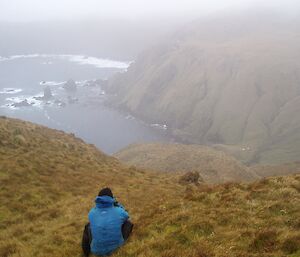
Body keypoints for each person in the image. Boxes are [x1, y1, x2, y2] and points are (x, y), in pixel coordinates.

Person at [82, 188, 133, 257]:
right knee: (128, 223)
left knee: (88, 226)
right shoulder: (119, 211)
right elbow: (127, 215)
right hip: (116, 248)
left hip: (96, 251)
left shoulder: (91, 213)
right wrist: (118, 205)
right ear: (111, 199)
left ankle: (85, 254)